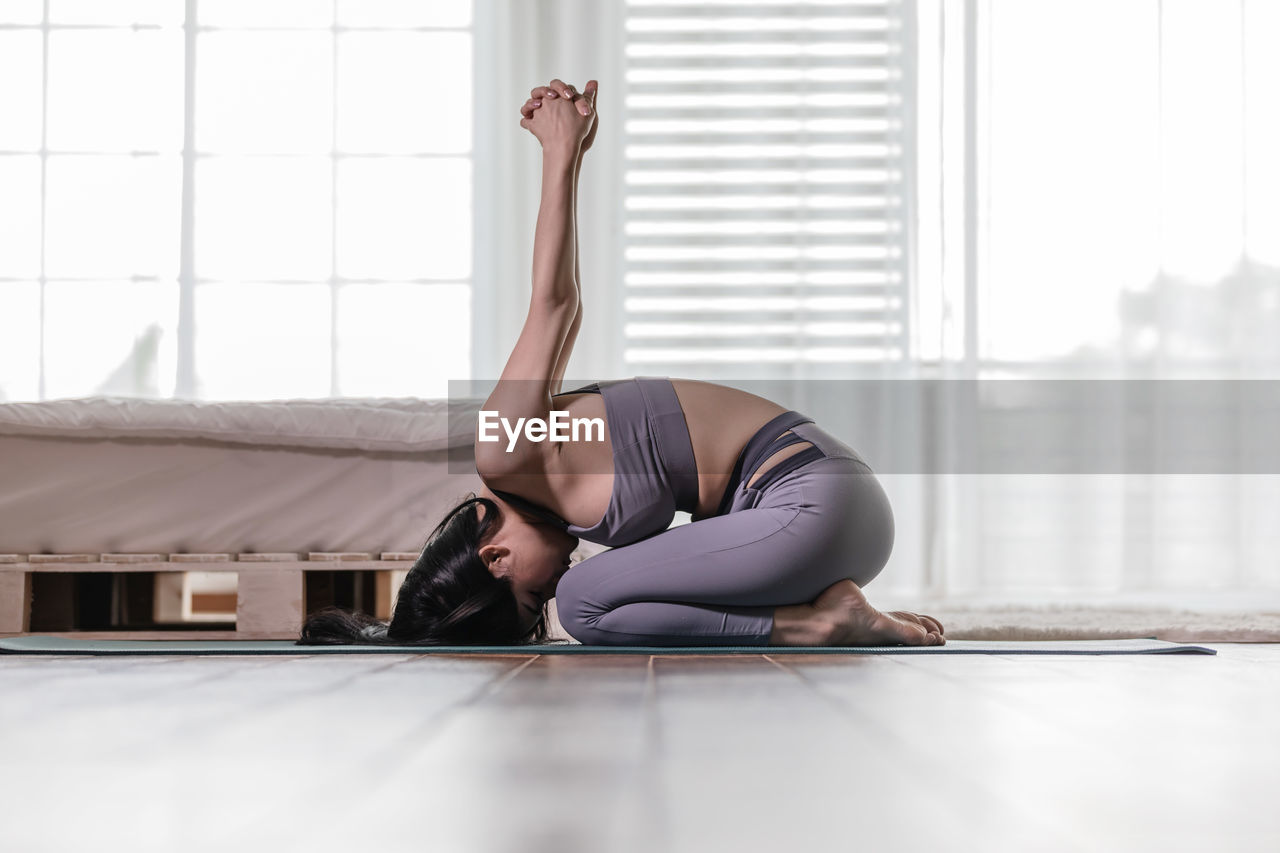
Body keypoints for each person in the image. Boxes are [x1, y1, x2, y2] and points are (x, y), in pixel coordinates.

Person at [299, 79, 945, 648]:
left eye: (530, 598)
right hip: (815, 515)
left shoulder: (505, 448)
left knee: (586, 603)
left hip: (810, 500)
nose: (546, 592)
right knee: (599, 596)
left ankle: (823, 625)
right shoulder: (547, 472)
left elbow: (556, 306)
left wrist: (561, 153)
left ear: (495, 556)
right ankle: (834, 612)